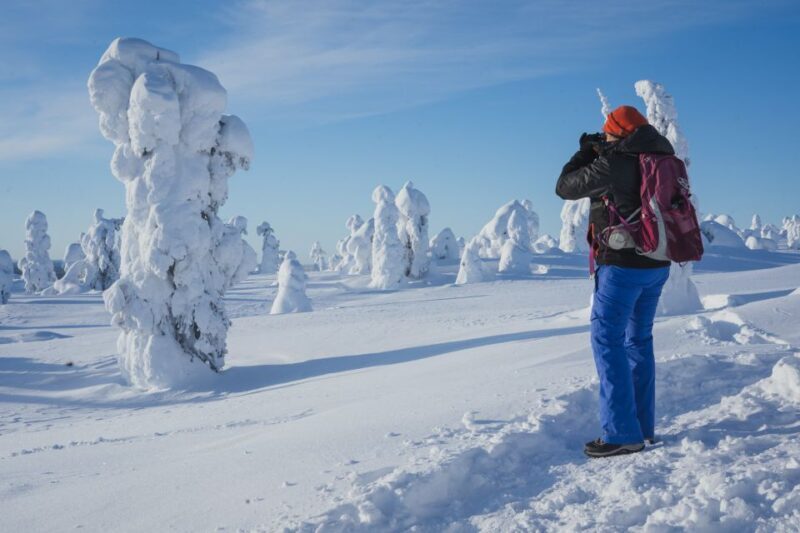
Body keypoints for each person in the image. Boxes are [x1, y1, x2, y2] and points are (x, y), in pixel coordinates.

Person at [555, 105, 673, 458]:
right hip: (657, 264)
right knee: (638, 340)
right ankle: (642, 428)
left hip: (622, 267)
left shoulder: (613, 163)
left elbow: (564, 187)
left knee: (607, 340)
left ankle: (622, 433)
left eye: (607, 133)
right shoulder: (663, 158)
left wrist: (584, 150)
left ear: (617, 133)